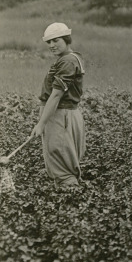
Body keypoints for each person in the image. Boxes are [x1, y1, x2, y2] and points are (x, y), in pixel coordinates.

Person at [35, 22, 87, 187]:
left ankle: (71, 208)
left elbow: (56, 95)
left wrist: (41, 123)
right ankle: (69, 206)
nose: (51, 45)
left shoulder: (68, 61)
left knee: (63, 168)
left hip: (61, 116)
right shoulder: (67, 59)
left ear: (66, 39)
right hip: (62, 115)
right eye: (48, 42)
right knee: (62, 163)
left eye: (56, 40)